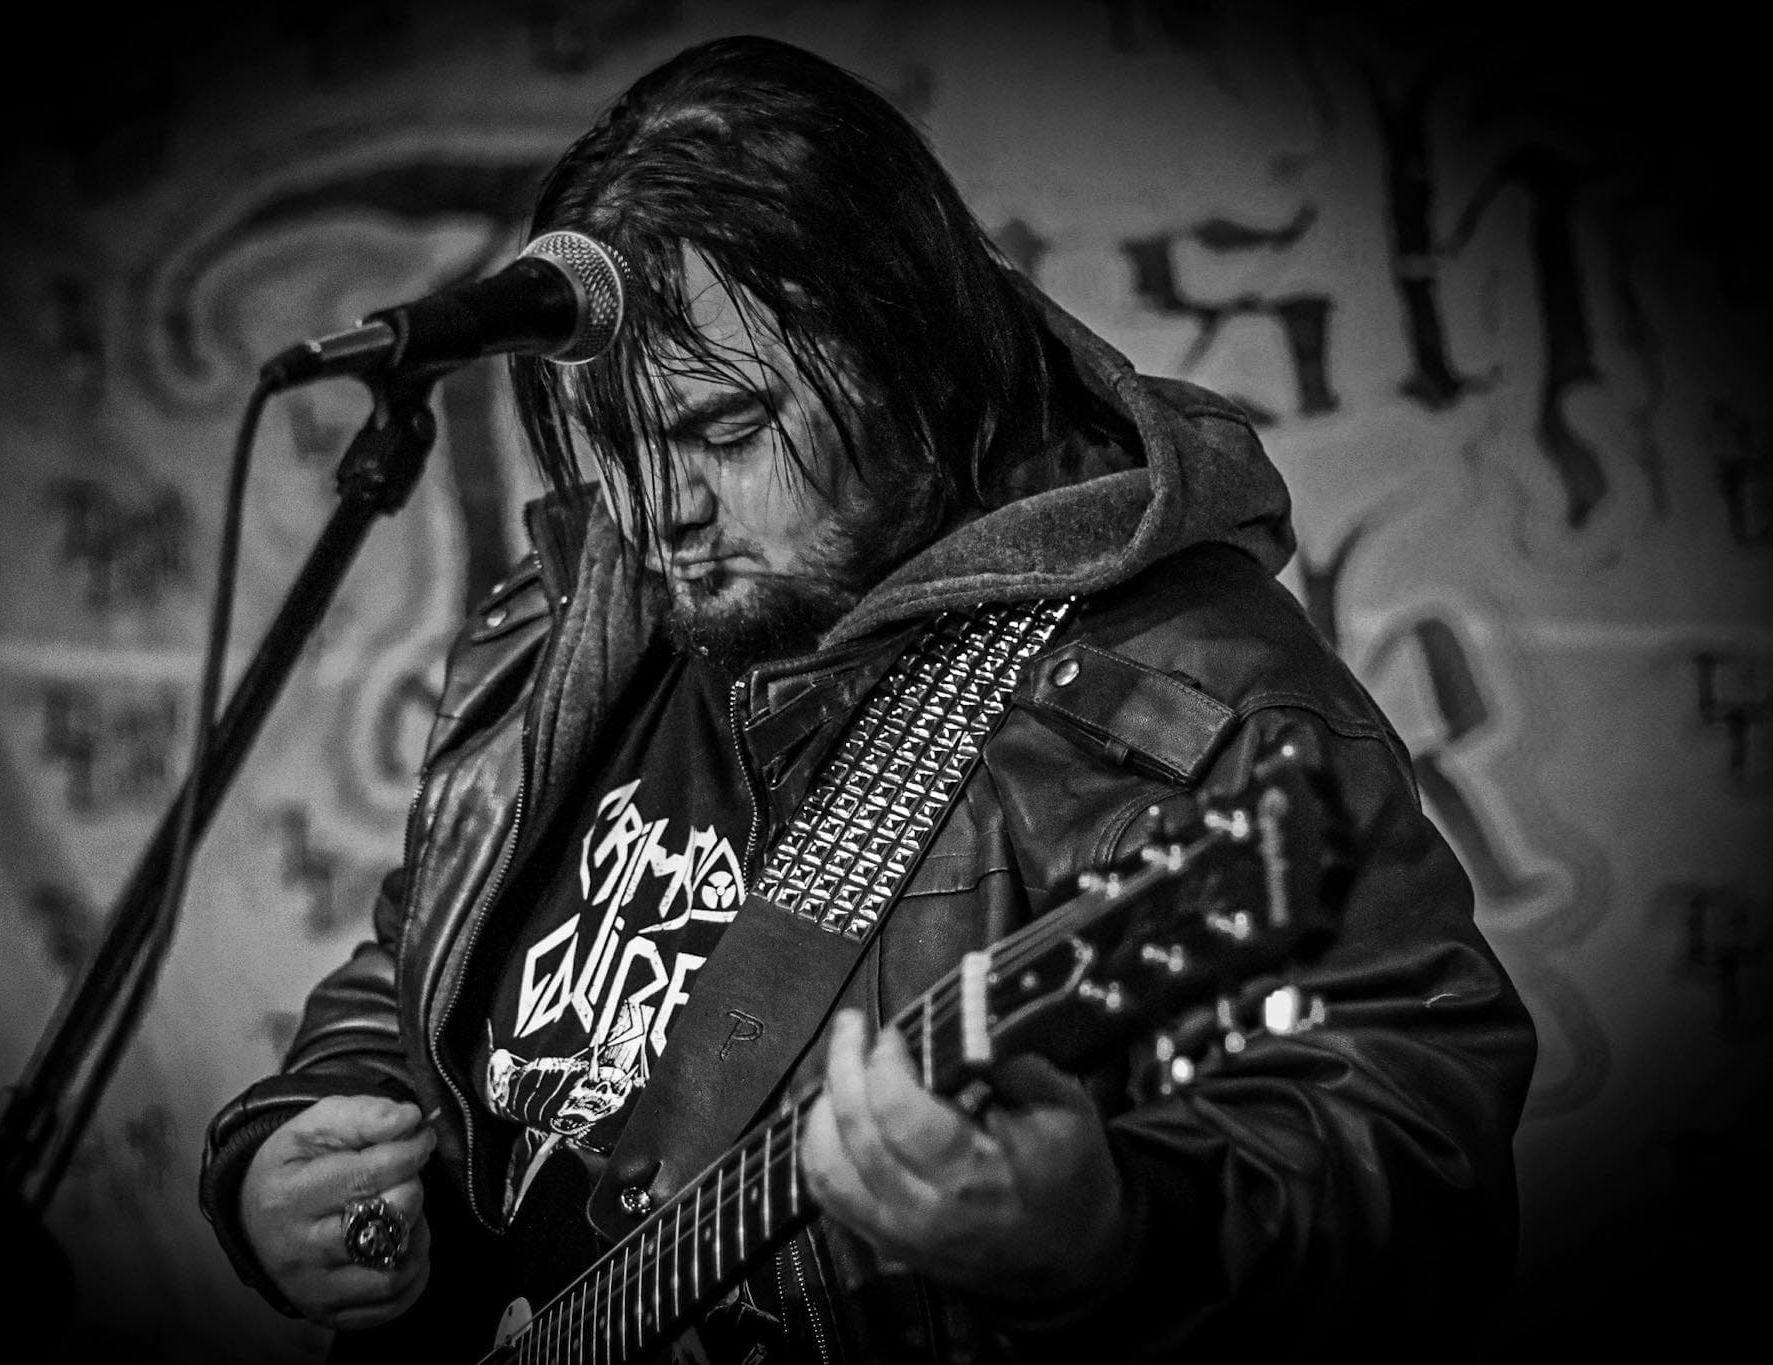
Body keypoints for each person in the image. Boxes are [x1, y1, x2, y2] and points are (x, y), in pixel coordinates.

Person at [199, 34, 1535, 1363]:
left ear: (916, 358)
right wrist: (299, 1145)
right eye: (610, 444)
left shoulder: (1198, 692)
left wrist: (1118, 1236)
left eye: (724, 430)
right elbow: (422, 958)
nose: (658, 512)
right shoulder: (580, 617)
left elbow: (1415, 1166)